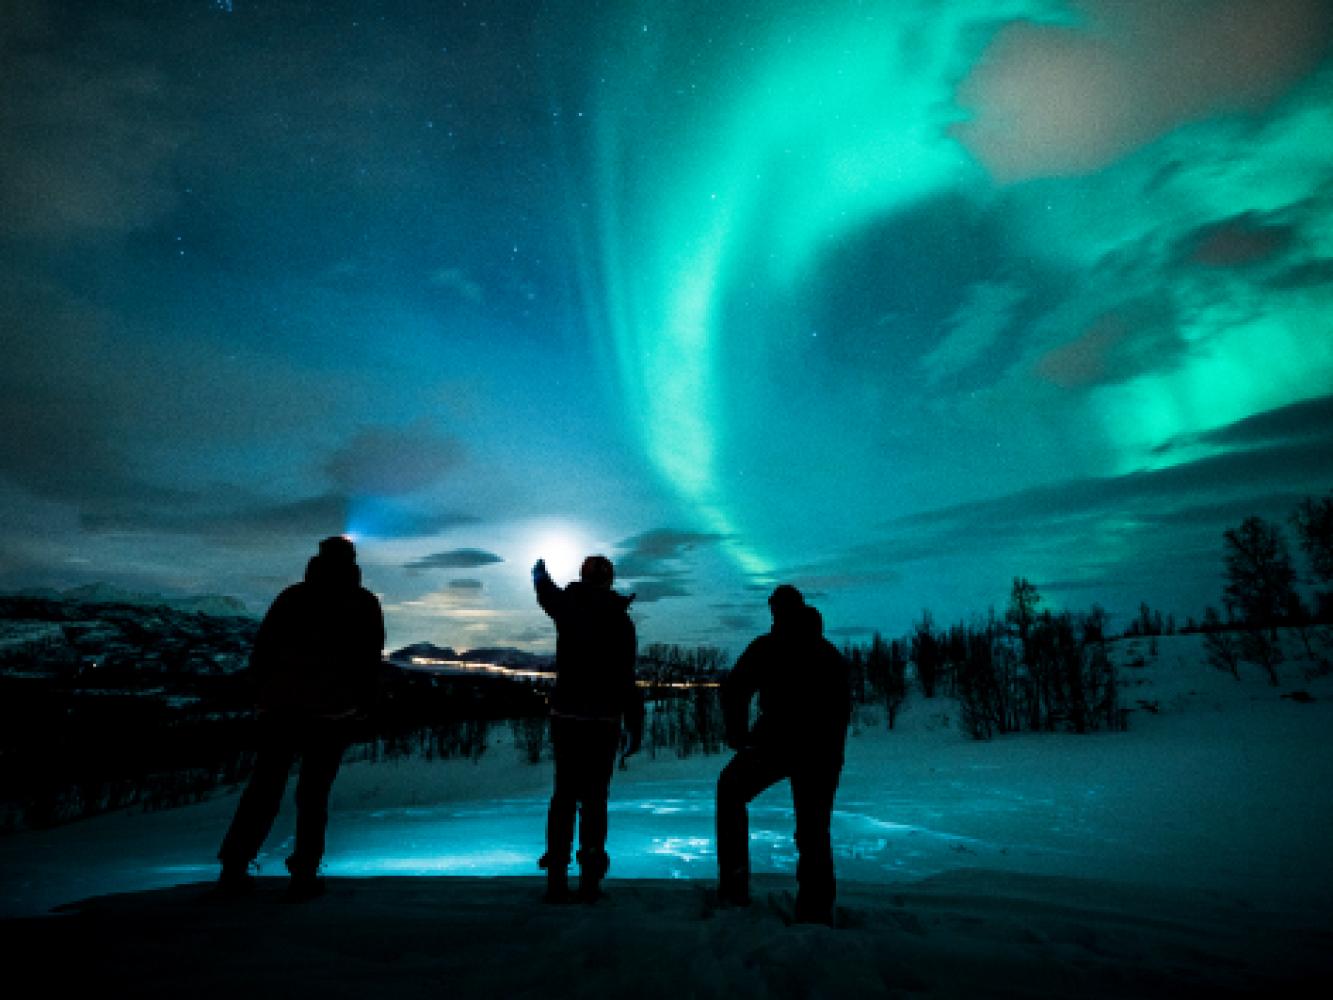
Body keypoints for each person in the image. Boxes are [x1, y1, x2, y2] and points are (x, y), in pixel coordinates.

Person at [216, 535, 384, 900]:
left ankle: (234, 868)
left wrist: (262, 694)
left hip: (281, 709)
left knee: (263, 789)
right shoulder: (362, 602)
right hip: (333, 713)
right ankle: (304, 875)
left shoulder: (293, 597)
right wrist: (362, 704)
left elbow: (263, 649)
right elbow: (369, 659)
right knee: (314, 795)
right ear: (353, 562)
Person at [716, 584, 851, 924]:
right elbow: (841, 711)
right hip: (818, 749)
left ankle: (734, 887)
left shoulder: (769, 647)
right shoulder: (827, 653)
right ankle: (816, 909)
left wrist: (738, 735)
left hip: (778, 743)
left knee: (730, 792)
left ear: (776, 610)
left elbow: (735, 690)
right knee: (814, 828)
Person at [532, 554, 643, 902]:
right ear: (610, 580)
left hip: (567, 718)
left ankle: (557, 879)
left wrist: (538, 574)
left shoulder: (569, 607)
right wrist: (635, 724)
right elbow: (627, 679)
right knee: (594, 799)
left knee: (565, 795)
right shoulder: (620, 621)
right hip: (604, 722)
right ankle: (590, 881)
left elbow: (546, 593)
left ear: (583, 576)